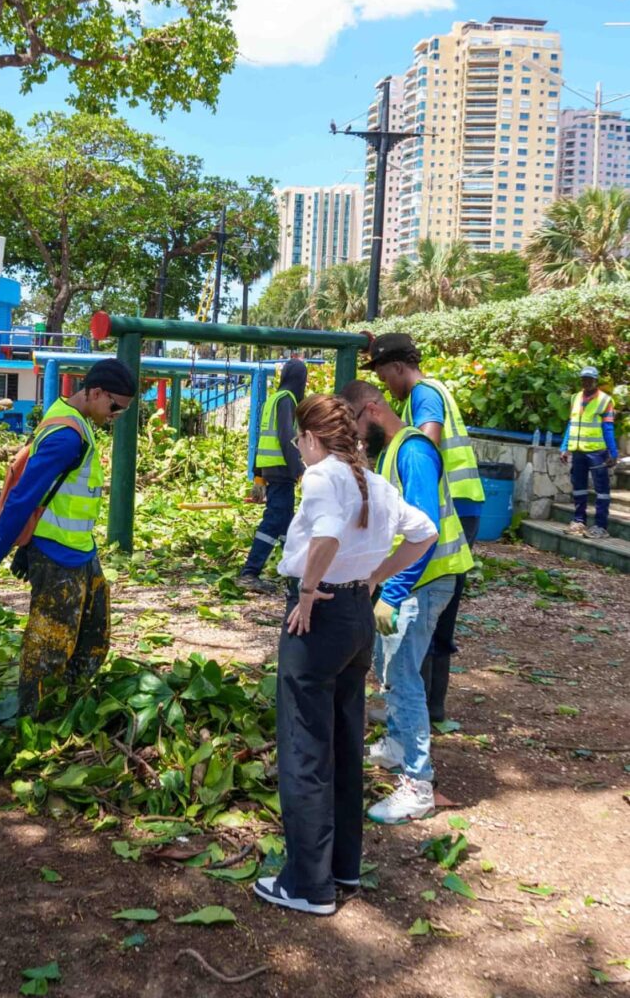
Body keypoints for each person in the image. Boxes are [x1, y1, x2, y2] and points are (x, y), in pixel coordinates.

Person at [252, 394, 438, 916]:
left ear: (311, 439)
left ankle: (308, 885)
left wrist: (308, 592)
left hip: (321, 615)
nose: (299, 450)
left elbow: (327, 537)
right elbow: (424, 532)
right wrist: (375, 578)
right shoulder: (375, 483)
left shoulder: (321, 477)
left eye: (299, 442)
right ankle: (342, 867)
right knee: (343, 741)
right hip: (357, 616)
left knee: (305, 748)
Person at [0, 359, 137, 717]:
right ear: (94, 393)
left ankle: (70, 704)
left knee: (94, 635)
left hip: (80, 551)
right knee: (50, 645)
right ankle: (37, 721)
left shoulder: (75, 421)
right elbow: (23, 498)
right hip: (58, 555)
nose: (116, 415)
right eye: (115, 406)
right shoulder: (66, 435)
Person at [339, 381, 473, 824]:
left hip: (425, 582)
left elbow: (425, 531)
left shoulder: (413, 451)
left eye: (356, 427)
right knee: (392, 669)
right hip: (411, 580)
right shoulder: (394, 449)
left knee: (404, 676)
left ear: (372, 410)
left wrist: (392, 592)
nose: (358, 439)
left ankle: (418, 784)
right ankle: (398, 745)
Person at [363, 333, 484, 722]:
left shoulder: (423, 395)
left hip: (450, 508)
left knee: (427, 604)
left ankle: (421, 707)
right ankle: (429, 707)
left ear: (399, 368)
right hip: (458, 504)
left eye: (385, 377)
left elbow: (424, 444)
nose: (387, 389)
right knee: (435, 609)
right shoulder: (433, 390)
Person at [238, 359, 308, 593]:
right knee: (275, 520)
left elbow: (261, 438)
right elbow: (287, 438)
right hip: (281, 469)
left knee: (287, 523)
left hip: (271, 468)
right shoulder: (287, 399)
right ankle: (250, 572)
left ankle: (296, 573)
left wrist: (258, 476)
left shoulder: (275, 397)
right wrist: (300, 470)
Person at [560, 365, 618, 540]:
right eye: (584, 379)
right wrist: (565, 447)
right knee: (579, 488)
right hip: (578, 451)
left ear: (595, 381)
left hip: (597, 452)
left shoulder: (605, 400)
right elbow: (571, 424)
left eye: (590, 379)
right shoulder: (575, 398)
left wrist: (613, 453)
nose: (586, 382)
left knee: (602, 490)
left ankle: (601, 526)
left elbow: (608, 428)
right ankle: (578, 522)